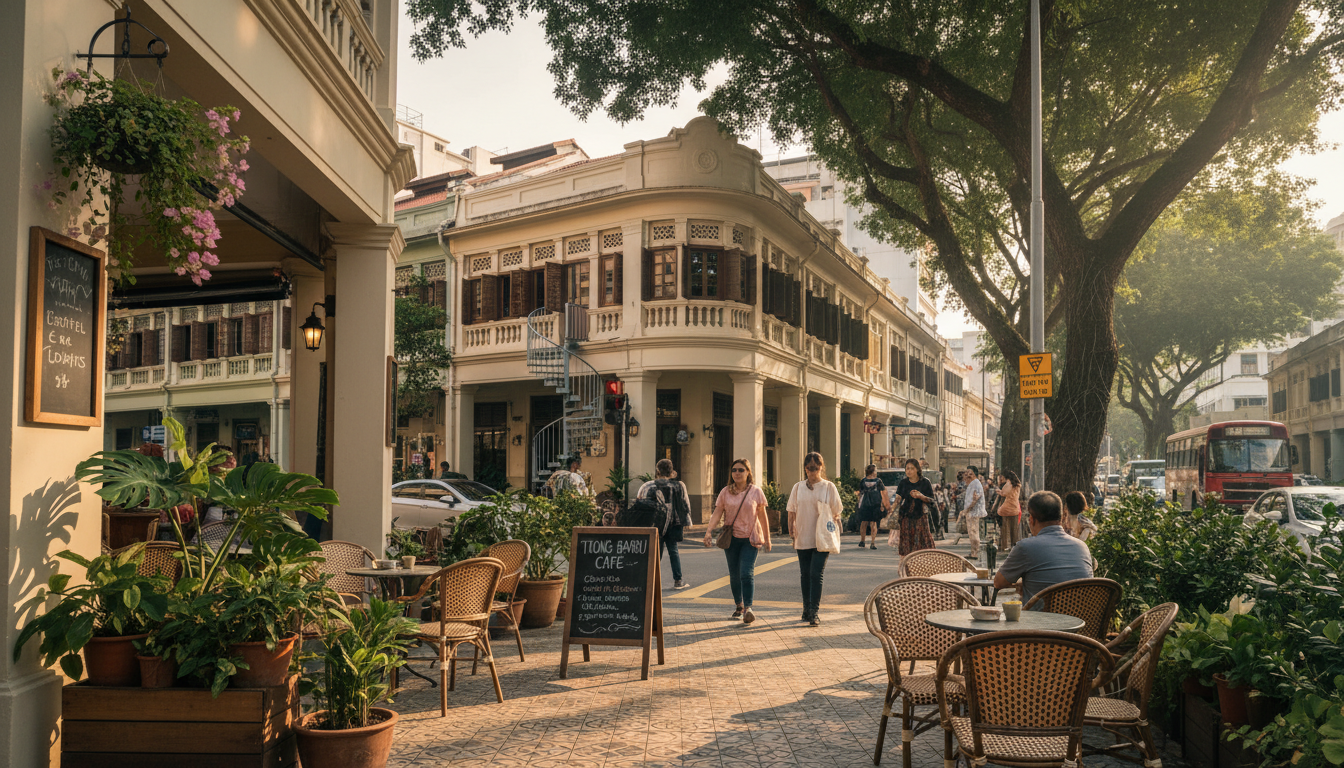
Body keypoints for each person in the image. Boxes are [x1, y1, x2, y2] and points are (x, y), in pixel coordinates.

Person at [993, 491, 1096, 605]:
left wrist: (1021, 583)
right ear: (1062, 518)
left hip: (1041, 620)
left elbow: (999, 582)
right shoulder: (1082, 547)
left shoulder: (1026, 547)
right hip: (1080, 620)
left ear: (1031, 520)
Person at [702, 458, 771, 625]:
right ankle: (739, 606)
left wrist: (767, 539)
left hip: (750, 538)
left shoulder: (755, 491)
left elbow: (762, 516)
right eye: (734, 470)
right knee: (734, 574)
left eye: (741, 470)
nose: (737, 473)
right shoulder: (725, 492)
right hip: (731, 539)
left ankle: (748, 608)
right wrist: (708, 531)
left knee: (746, 573)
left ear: (748, 472)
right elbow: (718, 512)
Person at [787, 452, 843, 627]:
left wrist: (835, 523)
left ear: (821, 467)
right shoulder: (798, 487)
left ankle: (814, 612)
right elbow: (791, 510)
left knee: (815, 573)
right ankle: (806, 608)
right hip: (802, 536)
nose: (813, 471)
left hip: (822, 538)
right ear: (805, 468)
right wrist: (791, 528)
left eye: (816, 468)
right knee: (805, 574)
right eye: (810, 468)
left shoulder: (828, 487)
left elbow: (837, 510)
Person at [638, 459, 693, 589]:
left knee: (656, 551)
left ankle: (649, 579)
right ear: (671, 470)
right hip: (673, 523)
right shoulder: (679, 485)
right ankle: (678, 580)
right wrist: (688, 521)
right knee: (673, 550)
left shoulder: (648, 486)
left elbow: (639, 503)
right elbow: (686, 504)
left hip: (655, 524)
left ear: (657, 470)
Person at [892, 458, 936, 556]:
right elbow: (898, 499)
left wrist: (921, 496)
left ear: (917, 469)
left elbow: (932, 501)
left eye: (912, 468)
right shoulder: (903, 483)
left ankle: (923, 567)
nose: (909, 471)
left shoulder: (925, 482)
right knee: (906, 546)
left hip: (921, 517)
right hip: (906, 517)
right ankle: (905, 568)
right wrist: (891, 511)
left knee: (923, 546)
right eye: (907, 468)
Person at [855, 464, 890, 550]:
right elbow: (883, 493)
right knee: (873, 523)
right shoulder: (878, 481)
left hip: (864, 504)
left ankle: (862, 540)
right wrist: (883, 505)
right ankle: (872, 542)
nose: (876, 472)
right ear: (873, 472)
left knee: (863, 522)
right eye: (875, 470)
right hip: (875, 504)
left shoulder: (863, 481)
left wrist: (858, 504)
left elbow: (860, 493)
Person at [955, 466, 987, 557]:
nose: (967, 474)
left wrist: (967, 510)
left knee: (973, 533)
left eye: (969, 472)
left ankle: (975, 552)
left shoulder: (976, 483)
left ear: (973, 473)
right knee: (972, 533)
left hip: (974, 512)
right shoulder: (972, 483)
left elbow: (975, 499)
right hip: (971, 511)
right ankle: (974, 551)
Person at [995, 470, 1023, 551]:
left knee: (1005, 528)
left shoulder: (1008, 484)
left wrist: (999, 491)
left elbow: (1004, 493)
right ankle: (1015, 545)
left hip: (1006, 508)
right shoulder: (1018, 485)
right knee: (1014, 528)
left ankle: (1005, 545)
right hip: (1015, 508)